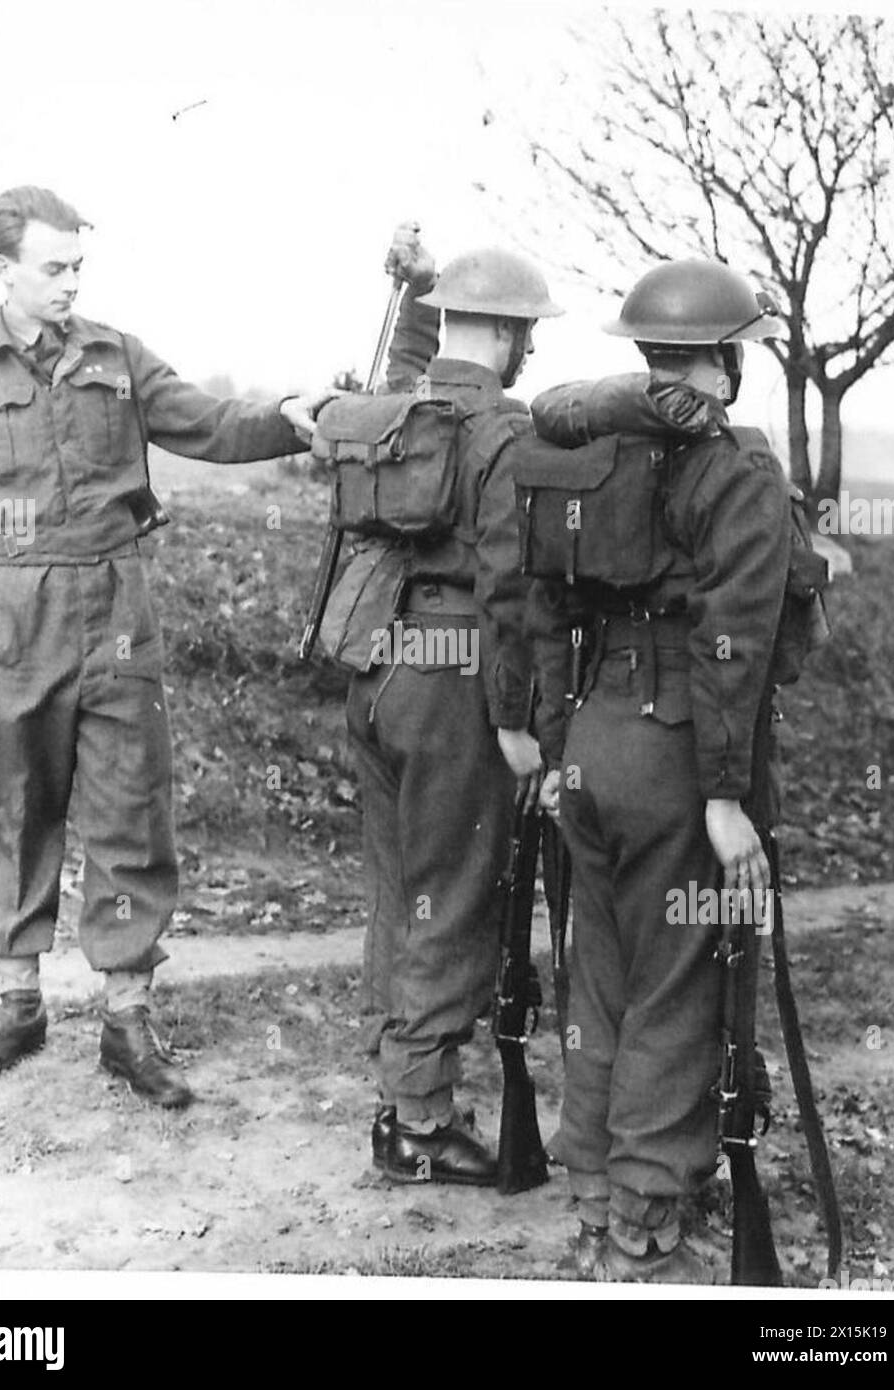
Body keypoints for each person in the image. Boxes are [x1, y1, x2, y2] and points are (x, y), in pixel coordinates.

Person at [0, 185, 333, 1107]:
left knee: (128, 810)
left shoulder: (117, 355)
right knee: (13, 808)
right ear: (3, 270)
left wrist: (290, 415)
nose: (74, 281)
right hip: (11, 621)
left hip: (116, 609)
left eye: (80, 265)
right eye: (55, 267)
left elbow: (209, 422)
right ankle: (18, 1003)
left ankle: (126, 1020)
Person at [528, 259, 791, 1279]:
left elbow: (535, 611)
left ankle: (595, 1198)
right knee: (680, 985)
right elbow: (736, 640)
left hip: (593, 742)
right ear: (724, 356)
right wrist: (725, 798)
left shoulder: (576, 460)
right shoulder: (737, 470)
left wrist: (553, 747)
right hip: (679, 752)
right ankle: (642, 1221)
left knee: (601, 976)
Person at [324, 225, 562, 1184]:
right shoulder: (507, 433)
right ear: (505, 335)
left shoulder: (392, 411)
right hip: (456, 681)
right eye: (527, 333)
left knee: (400, 891)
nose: (530, 349)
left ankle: (403, 1095)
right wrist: (516, 723)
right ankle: (421, 1126)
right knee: (453, 902)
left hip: (376, 673)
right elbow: (509, 591)